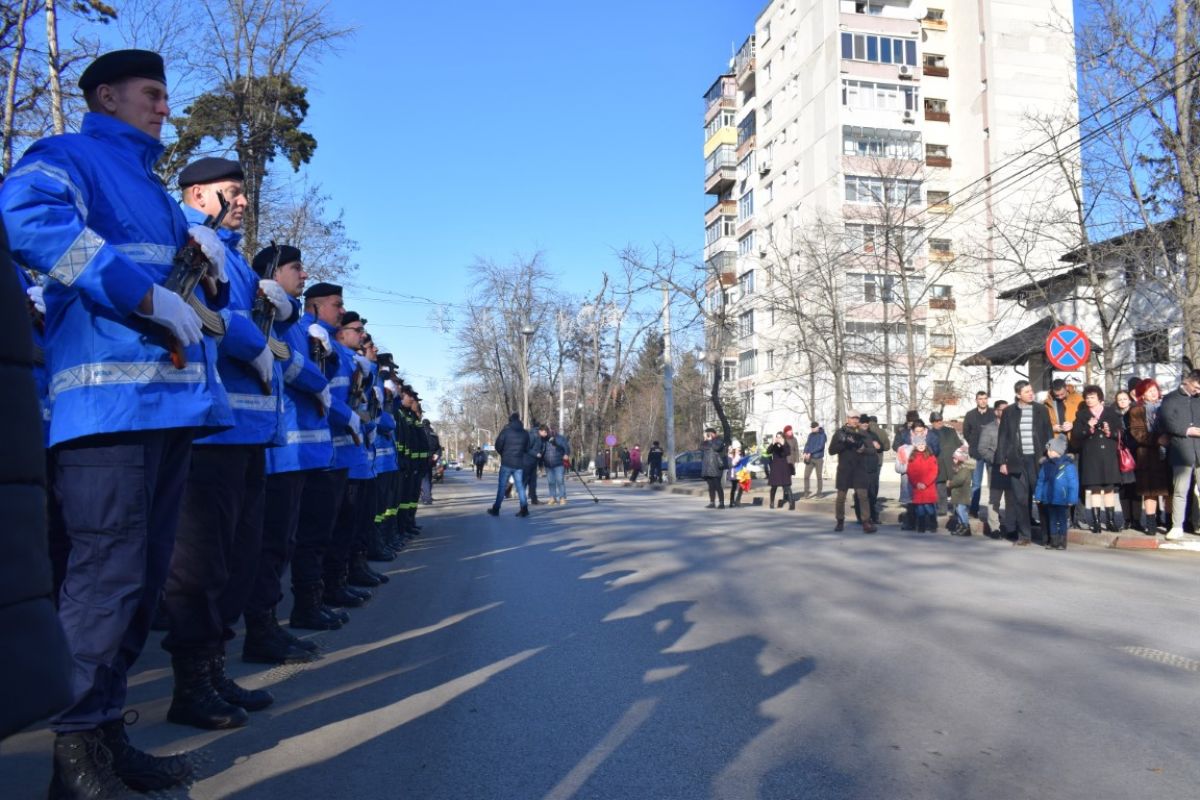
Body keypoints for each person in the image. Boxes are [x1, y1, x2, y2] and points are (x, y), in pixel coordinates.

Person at [0, 49, 240, 795]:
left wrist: (208, 272)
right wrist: (140, 293)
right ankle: (73, 757)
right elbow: (27, 217)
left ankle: (105, 734)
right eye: (152, 93)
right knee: (106, 582)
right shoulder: (70, 155)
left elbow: (191, 300)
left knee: (139, 585)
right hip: (108, 409)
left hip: (168, 407)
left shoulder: (154, 189)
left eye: (166, 95)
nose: (165, 107)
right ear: (106, 97)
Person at [161, 158, 285, 731]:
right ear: (197, 194)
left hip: (242, 429)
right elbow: (218, 316)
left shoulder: (228, 251)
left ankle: (212, 670)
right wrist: (255, 342)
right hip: (210, 428)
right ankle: (191, 682)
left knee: (236, 557)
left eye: (242, 193)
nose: (243, 201)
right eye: (232, 192)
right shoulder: (186, 234)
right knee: (200, 564)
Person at [996, 381, 1053, 546]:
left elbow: (1048, 434)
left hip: (1038, 460)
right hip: (1017, 460)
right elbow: (1003, 437)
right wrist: (1002, 461)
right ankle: (1024, 536)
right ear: (1018, 394)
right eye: (1026, 391)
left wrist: (1050, 457)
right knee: (1020, 499)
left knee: (1041, 498)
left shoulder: (1041, 410)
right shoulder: (1009, 412)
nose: (1031, 394)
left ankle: (1048, 537)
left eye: (1031, 390)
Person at [1071, 385, 1123, 533]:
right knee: (1095, 489)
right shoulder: (1082, 415)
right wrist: (1088, 427)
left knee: (1109, 489)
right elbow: (1076, 435)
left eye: (1092, 397)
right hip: (1091, 456)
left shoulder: (1111, 412)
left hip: (1108, 455)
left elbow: (1120, 432)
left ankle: (1111, 521)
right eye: (1087, 397)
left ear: (1100, 398)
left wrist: (1109, 432)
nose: (1089, 400)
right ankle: (1096, 522)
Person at [1159, 369, 1200, 541]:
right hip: (1181, 451)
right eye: (1196, 387)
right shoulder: (1170, 399)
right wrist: (1187, 430)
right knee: (1180, 491)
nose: (1198, 391)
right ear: (1187, 382)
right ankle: (1177, 526)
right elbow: (1167, 421)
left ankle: (1197, 524)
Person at [1128, 378, 1172, 534]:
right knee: (1150, 492)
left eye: (1155, 390)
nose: (1154, 393)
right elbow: (1137, 433)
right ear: (1142, 394)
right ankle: (1151, 524)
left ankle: (1170, 522)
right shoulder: (1137, 410)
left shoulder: (1165, 406)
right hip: (1147, 455)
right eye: (1149, 391)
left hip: (1168, 453)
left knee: (1169, 491)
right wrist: (1157, 439)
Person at [829, 412, 878, 533]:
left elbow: (872, 450)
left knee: (863, 496)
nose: (855, 420)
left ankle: (866, 522)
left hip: (859, 470)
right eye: (852, 418)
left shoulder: (863, 433)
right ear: (847, 419)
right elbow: (831, 450)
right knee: (841, 497)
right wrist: (844, 443)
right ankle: (840, 521)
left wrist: (863, 450)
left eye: (857, 418)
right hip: (844, 470)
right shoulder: (840, 433)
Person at [1034, 437, 1079, 550]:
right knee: (1052, 520)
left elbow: (1073, 484)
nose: (1048, 452)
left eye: (1050, 450)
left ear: (1057, 451)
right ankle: (1054, 541)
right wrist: (1038, 496)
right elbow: (1041, 481)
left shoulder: (1068, 466)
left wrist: (1072, 499)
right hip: (1049, 498)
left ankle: (1062, 542)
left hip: (1062, 499)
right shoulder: (1046, 465)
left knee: (1062, 520)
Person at [489, 413, 530, 516]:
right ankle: (524, 509)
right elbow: (527, 448)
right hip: (519, 464)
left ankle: (496, 509)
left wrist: (503, 454)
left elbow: (498, 445)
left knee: (502, 486)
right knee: (520, 486)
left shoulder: (505, 431)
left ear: (510, 420)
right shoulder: (524, 433)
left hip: (506, 463)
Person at [1112, 390, 1140, 530]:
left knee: (1135, 487)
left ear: (1129, 400)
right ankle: (1127, 519)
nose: (1122, 401)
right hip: (1120, 454)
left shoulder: (1136, 413)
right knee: (1123, 488)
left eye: (1125, 398)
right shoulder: (1114, 415)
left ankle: (1136, 520)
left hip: (1135, 453)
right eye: (1120, 399)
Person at [961, 391, 991, 516]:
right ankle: (974, 509)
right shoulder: (970, 415)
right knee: (976, 483)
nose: (983, 401)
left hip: (991, 453)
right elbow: (966, 432)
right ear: (976, 400)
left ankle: (993, 512)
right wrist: (973, 444)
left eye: (985, 398)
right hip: (975, 453)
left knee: (993, 484)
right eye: (980, 399)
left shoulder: (993, 413)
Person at [907, 434, 940, 533]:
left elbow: (933, 471)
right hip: (917, 487)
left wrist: (925, 483)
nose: (921, 446)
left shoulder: (931, 456)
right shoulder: (912, 457)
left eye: (922, 444)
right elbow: (910, 472)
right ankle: (921, 526)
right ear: (915, 445)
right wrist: (916, 483)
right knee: (920, 508)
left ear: (925, 445)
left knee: (928, 507)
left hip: (928, 487)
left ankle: (933, 525)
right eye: (919, 444)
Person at [930, 412, 962, 514]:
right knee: (940, 489)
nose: (939, 422)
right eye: (936, 421)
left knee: (955, 488)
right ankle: (942, 509)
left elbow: (959, 445)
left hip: (952, 462)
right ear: (932, 422)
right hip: (938, 464)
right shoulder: (929, 434)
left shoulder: (951, 431)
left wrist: (959, 459)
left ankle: (958, 510)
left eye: (940, 420)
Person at [946, 445, 974, 535]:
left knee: (961, 510)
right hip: (958, 494)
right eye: (953, 458)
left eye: (955, 458)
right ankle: (961, 525)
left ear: (961, 459)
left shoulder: (964, 469)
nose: (953, 460)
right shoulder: (958, 468)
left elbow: (960, 480)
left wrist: (950, 483)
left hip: (962, 494)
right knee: (958, 510)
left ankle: (965, 526)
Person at [766, 432, 795, 510]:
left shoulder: (786, 444)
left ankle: (791, 504)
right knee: (773, 487)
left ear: (783, 438)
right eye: (777, 437)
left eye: (779, 437)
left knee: (786, 486)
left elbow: (787, 452)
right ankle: (772, 502)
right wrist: (772, 443)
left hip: (784, 467)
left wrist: (783, 444)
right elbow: (768, 451)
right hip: (775, 468)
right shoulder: (774, 445)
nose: (778, 438)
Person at [700, 428, 727, 509]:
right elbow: (701, 447)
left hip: (716, 467)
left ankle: (721, 503)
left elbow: (716, 448)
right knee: (710, 486)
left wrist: (710, 440)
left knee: (717, 485)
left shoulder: (719, 440)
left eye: (708, 434)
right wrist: (706, 440)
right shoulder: (706, 442)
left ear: (712, 433)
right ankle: (712, 502)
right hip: (707, 467)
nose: (707, 435)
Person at [542, 426, 570, 504]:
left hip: (559, 463)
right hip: (548, 464)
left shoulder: (560, 438)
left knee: (560, 480)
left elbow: (566, 448)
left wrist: (566, 454)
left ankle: (562, 497)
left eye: (552, 430)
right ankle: (552, 497)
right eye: (549, 430)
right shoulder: (544, 439)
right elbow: (542, 450)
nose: (550, 432)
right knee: (551, 482)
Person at [802, 421, 826, 497]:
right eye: (811, 428)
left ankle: (819, 493)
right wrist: (805, 452)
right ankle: (806, 493)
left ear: (817, 427)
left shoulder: (822, 435)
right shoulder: (810, 435)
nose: (812, 429)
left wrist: (810, 452)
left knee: (819, 477)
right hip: (810, 459)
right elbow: (807, 444)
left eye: (813, 428)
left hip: (818, 458)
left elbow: (820, 446)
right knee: (806, 476)